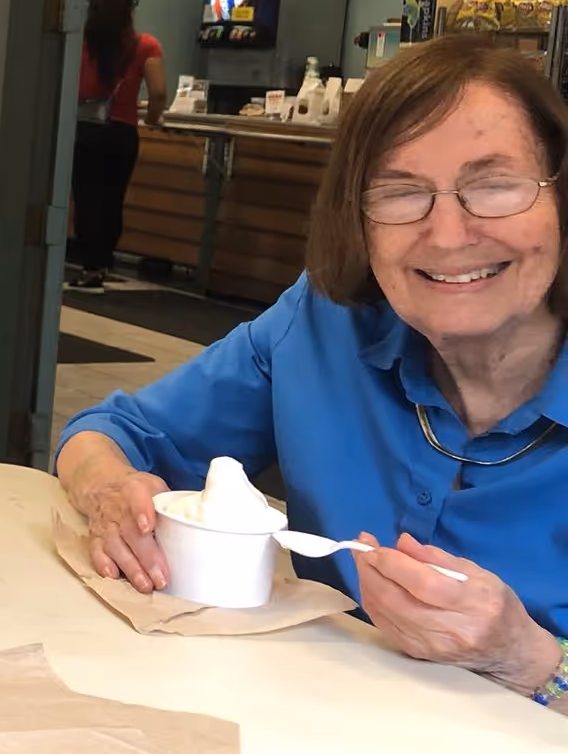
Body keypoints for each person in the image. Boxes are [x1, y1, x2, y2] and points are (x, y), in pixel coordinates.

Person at [57, 36, 568, 712]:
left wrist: (529, 660)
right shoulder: (326, 324)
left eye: (493, 186)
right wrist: (111, 495)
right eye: (400, 192)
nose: (447, 236)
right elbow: (111, 430)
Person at [68, 0, 165, 291]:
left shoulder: (79, 43)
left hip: (82, 131)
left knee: (84, 200)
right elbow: (159, 91)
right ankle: (103, 262)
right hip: (121, 134)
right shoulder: (145, 45)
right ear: (130, 11)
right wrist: (151, 119)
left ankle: (90, 265)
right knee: (112, 200)